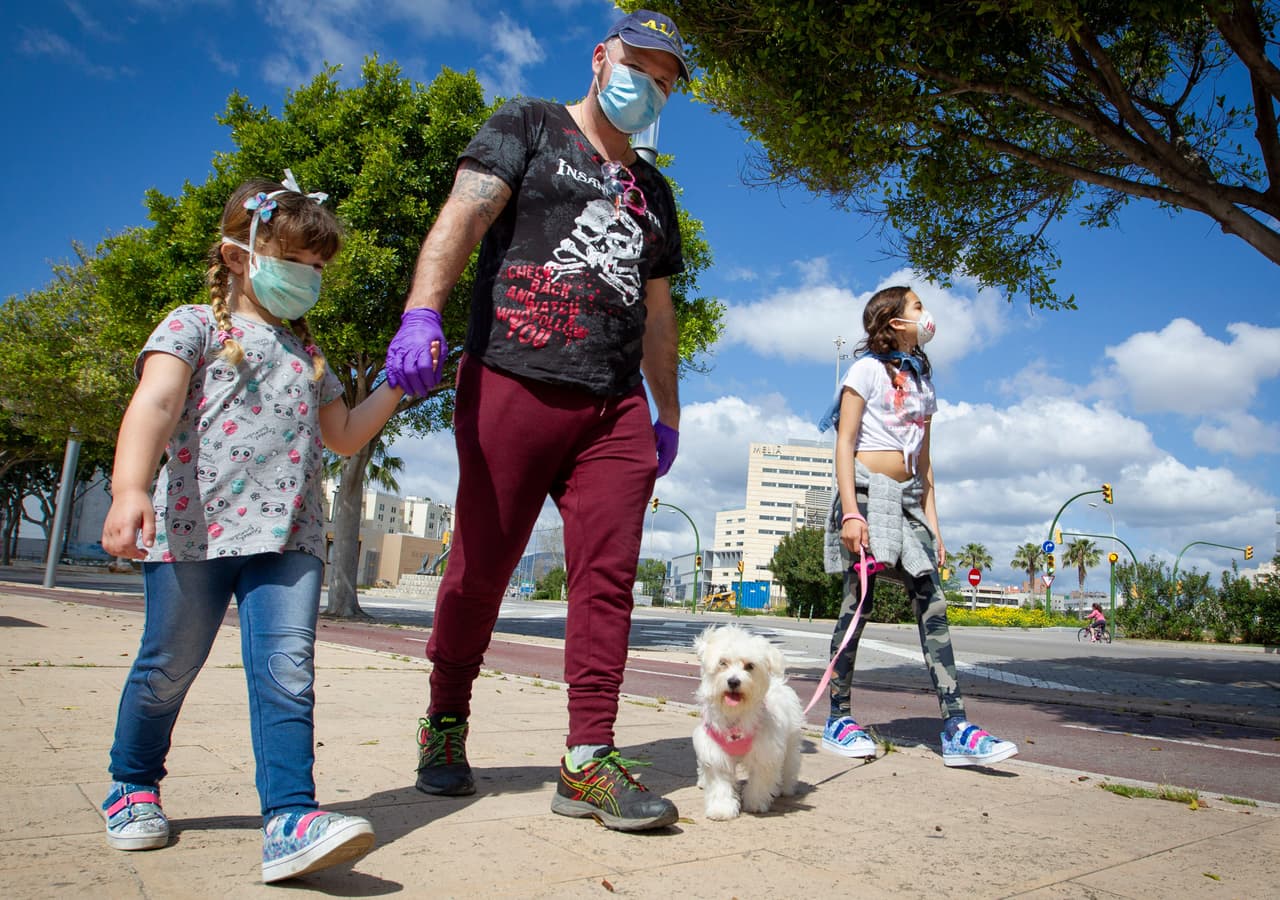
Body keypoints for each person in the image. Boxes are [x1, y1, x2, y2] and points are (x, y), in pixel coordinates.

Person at [383, 10, 689, 832]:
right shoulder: (527, 124)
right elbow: (465, 213)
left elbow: (659, 313)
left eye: (666, 79)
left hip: (614, 405)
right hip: (512, 379)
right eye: (641, 65)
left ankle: (588, 758)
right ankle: (445, 720)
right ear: (601, 58)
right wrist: (422, 313)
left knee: (609, 578)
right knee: (481, 567)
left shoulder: (654, 194)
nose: (651, 85)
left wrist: (668, 412)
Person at [100, 175, 405, 882]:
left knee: (287, 675)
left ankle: (290, 818)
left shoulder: (311, 356)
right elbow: (155, 402)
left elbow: (346, 436)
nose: (310, 279)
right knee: (167, 666)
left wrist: (395, 383)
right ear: (239, 255)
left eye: (319, 268)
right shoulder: (193, 325)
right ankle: (133, 784)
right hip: (194, 536)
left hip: (291, 544)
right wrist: (127, 488)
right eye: (299, 261)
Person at [818, 286, 1019, 767]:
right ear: (892, 321)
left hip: (908, 501)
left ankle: (956, 727)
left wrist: (935, 524)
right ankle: (838, 718)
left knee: (932, 602)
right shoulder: (864, 370)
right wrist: (850, 512)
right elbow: (844, 444)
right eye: (917, 307)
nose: (926, 315)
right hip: (867, 495)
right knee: (858, 602)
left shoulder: (924, 383)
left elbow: (925, 462)